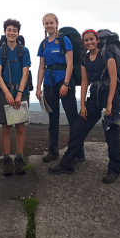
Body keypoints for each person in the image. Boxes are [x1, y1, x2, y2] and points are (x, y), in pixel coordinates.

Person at [48, 29, 120, 183]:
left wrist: (109, 103)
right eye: (86, 40)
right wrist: (82, 105)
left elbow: (114, 80)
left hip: (109, 96)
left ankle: (114, 168)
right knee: (77, 129)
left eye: (91, 39)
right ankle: (67, 163)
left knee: (111, 133)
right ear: (84, 43)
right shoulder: (84, 60)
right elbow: (84, 83)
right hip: (94, 97)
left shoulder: (107, 56)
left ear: (97, 40)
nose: (89, 42)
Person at [36, 13, 83, 163]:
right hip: (49, 84)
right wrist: (38, 87)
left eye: (51, 23)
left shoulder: (64, 40)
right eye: (46, 23)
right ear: (43, 25)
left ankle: (78, 152)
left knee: (72, 117)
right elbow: (41, 66)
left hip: (63, 81)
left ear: (57, 24)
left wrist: (66, 83)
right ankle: (53, 151)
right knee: (53, 118)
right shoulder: (43, 44)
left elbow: (69, 63)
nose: (49, 25)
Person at [0, 19, 31, 176]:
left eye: (15, 30)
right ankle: (7, 160)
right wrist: (7, 93)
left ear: (18, 33)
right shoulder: (1, 51)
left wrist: (19, 94)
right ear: (4, 32)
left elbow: (25, 73)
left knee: (20, 127)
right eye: (9, 30)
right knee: (6, 127)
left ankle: (19, 159)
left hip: (21, 92)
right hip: (4, 91)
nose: (12, 32)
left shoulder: (24, 51)